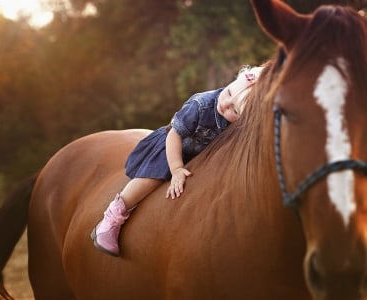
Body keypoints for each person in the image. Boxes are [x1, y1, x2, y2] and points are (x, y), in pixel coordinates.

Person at [90, 66, 264, 257]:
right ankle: (111, 220)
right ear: (233, 80)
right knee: (151, 179)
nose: (226, 104)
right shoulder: (201, 105)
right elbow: (174, 135)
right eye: (229, 92)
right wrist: (177, 168)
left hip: (198, 158)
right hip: (171, 148)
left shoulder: (237, 123)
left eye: (235, 110)